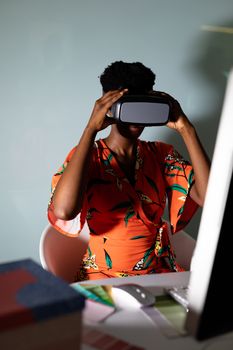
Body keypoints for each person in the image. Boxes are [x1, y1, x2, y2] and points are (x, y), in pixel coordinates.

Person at [48, 61, 210, 281]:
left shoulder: (160, 154)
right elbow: (64, 211)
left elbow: (210, 197)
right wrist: (90, 129)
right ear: (109, 104)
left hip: (157, 273)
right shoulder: (89, 155)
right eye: (130, 106)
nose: (137, 117)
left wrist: (186, 129)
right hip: (103, 276)